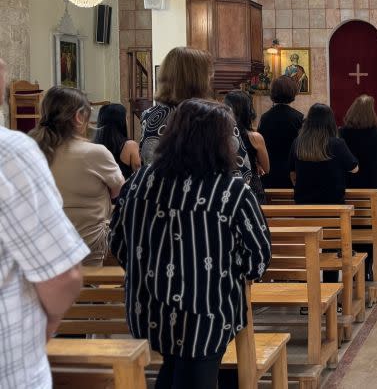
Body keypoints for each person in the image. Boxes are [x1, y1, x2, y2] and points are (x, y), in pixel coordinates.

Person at [110, 99, 270, 389]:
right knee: (194, 374)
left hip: (149, 309)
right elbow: (257, 258)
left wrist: (153, 270)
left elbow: (118, 242)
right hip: (206, 313)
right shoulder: (231, 191)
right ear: (222, 142)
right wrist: (221, 269)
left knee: (174, 370)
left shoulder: (139, 181)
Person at [0, 58, 87, 388]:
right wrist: (48, 325)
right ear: (78, 118)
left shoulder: (30, 143)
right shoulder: (10, 153)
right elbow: (62, 275)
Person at [30, 87, 125, 266]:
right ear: (79, 117)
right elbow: (119, 192)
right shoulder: (94, 153)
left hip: (44, 247)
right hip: (88, 246)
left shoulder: (32, 150)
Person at [140, 46, 252, 182]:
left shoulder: (149, 115)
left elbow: (148, 162)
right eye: (208, 74)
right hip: (210, 198)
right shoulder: (217, 116)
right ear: (199, 78)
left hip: (163, 197)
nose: (211, 77)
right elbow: (242, 171)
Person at [340, 95, 377, 279]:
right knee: (372, 225)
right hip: (374, 186)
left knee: (353, 226)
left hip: (349, 186)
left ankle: (354, 263)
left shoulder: (342, 133)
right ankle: (369, 265)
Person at [290, 103, 358, 204]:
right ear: (330, 122)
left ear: (308, 121)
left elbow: (292, 173)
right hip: (333, 203)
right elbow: (354, 169)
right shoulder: (337, 144)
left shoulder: (298, 142)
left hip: (304, 203)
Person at [258, 76, 304, 189]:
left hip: (270, 171)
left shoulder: (265, 118)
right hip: (292, 171)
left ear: (273, 93)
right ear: (293, 92)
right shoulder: (299, 118)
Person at [225, 91, 270, 203]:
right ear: (248, 111)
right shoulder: (255, 137)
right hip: (251, 187)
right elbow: (267, 168)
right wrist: (256, 163)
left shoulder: (221, 135)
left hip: (227, 186)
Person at [93, 103, 141, 179]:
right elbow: (138, 172)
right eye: (126, 117)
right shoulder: (130, 145)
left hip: (101, 189)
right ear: (121, 121)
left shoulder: (93, 146)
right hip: (124, 189)